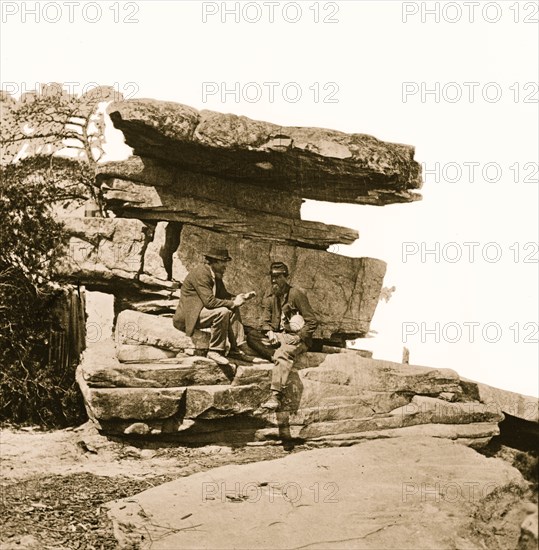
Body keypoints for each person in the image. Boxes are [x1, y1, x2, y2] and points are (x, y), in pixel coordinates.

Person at [247, 262, 318, 410]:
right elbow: (264, 322)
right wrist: (269, 332)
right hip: (280, 337)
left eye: (278, 276)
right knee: (252, 336)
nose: (274, 280)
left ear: (287, 277)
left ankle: (276, 395)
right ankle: (277, 359)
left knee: (283, 351)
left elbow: (312, 322)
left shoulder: (296, 295)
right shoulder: (271, 297)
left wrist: (299, 337)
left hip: (297, 338)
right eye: (272, 276)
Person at [173, 247, 254, 365]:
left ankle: (236, 349)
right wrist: (232, 303)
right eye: (223, 262)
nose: (225, 266)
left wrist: (240, 298)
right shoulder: (201, 273)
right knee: (223, 312)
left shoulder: (215, 275)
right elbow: (209, 302)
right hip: (188, 317)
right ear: (214, 261)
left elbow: (224, 296)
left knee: (233, 309)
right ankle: (215, 351)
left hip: (200, 312)